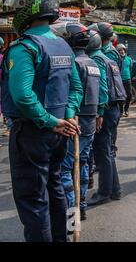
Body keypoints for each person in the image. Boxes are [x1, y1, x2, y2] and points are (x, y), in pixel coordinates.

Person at [1, 0, 83, 242]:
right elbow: (76, 87)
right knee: (55, 189)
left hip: (32, 132)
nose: (14, 18)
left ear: (31, 11)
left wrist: (50, 121)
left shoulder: (23, 48)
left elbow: (23, 95)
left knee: (33, 201)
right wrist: (68, 115)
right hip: (59, 134)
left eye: (17, 12)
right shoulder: (62, 45)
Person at [51, 23, 104, 221]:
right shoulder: (92, 63)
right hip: (89, 120)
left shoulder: (73, 62)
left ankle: (70, 213)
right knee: (81, 164)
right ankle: (80, 206)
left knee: (66, 168)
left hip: (76, 120)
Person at [86, 32, 126, 206]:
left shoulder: (96, 59)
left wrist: (99, 112)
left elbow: (101, 88)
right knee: (107, 151)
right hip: (113, 108)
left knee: (102, 152)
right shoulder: (107, 57)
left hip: (106, 109)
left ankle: (104, 193)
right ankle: (115, 190)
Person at [117, 44, 133, 117]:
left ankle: (126, 109)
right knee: (120, 96)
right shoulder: (117, 59)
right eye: (120, 50)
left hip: (127, 79)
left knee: (129, 94)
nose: (121, 51)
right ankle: (121, 111)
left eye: (122, 50)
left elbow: (130, 68)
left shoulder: (129, 59)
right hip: (119, 80)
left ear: (125, 50)